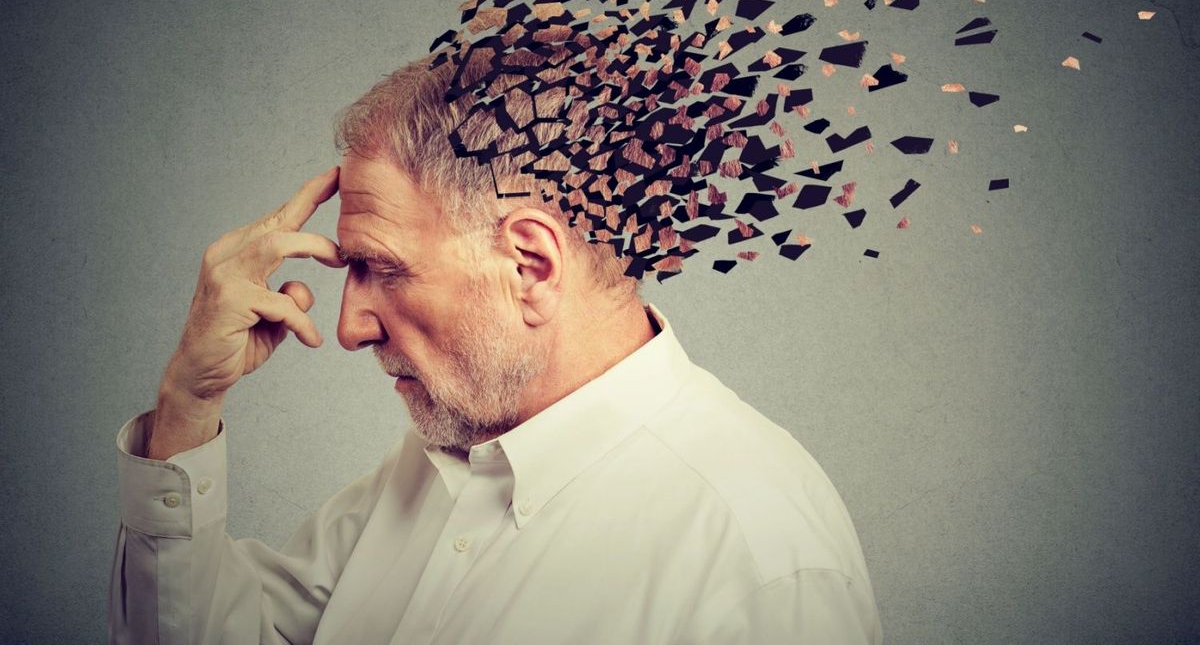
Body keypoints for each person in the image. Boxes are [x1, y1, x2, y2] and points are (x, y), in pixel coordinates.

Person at [107, 45, 883, 644]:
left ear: (531, 266)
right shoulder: (440, 460)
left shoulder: (761, 555)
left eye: (383, 269)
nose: (347, 328)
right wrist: (187, 404)